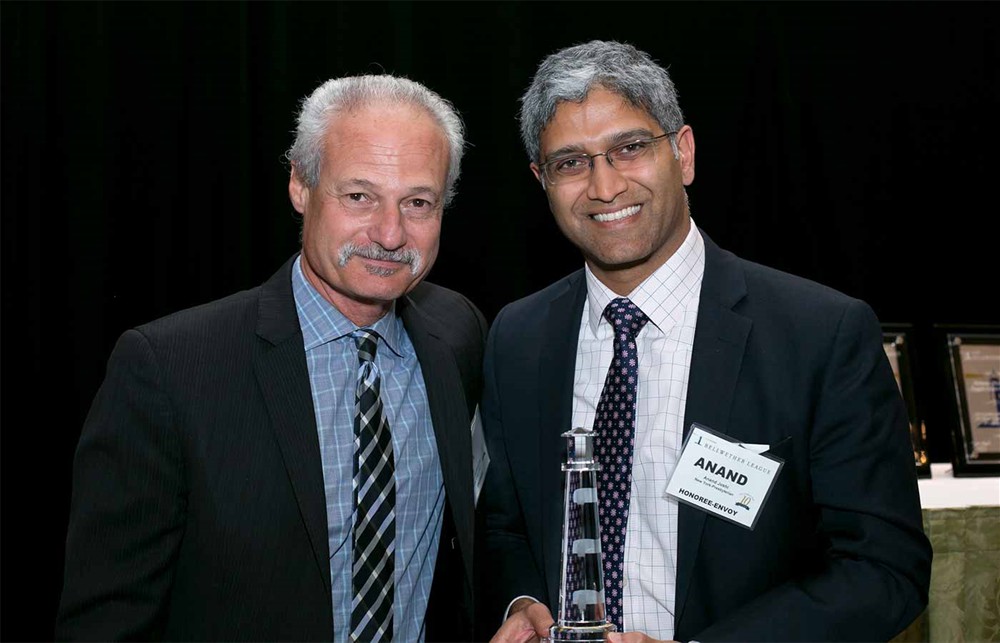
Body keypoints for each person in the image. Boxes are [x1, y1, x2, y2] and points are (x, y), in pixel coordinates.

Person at [476, 40, 931, 642]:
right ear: (542, 180)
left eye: (629, 148)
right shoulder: (518, 336)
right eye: (571, 163)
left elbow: (883, 569)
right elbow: (505, 525)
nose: (605, 186)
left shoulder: (820, 334)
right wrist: (523, 599)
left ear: (683, 153)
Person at [56, 74, 486, 642]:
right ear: (301, 187)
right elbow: (105, 623)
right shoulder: (170, 369)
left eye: (418, 203)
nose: (389, 232)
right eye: (359, 196)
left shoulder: (458, 336)